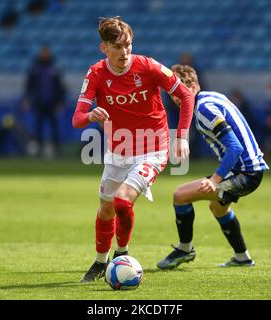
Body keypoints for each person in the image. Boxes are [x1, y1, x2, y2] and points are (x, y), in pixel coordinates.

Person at [72, 16, 194, 282]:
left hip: (153, 148)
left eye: (127, 45)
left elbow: (185, 94)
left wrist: (181, 137)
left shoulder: (148, 66)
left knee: (122, 201)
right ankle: (100, 262)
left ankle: (121, 254)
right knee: (105, 209)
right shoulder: (95, 74)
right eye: (117, 47)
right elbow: (77, 118)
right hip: (118, 151)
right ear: (104, 48)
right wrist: (91, 115)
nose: (124, 52)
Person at [157, 64, 269, 269]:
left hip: (245, 172)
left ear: (192, 87)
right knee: (217, 207)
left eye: (178, 91)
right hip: (249, 169)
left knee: (180, 195)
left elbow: (234, 148)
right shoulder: (211, 97)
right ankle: (243, 258)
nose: (175, 98)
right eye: (173, 93)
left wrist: (214, 180)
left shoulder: (203, 109)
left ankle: (185, 249)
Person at [23, 46, 67, 156]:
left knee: (54, 127)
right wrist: (28, 100)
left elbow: (60, 87)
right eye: (43, 52)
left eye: (47, 52)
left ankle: (57, 149)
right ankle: (38, 149)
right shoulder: (35, 68)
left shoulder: (55, 67)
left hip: (52, 103)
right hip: (39, 102)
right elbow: (29, 86)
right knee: (38, 127)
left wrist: (60, 101)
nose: (45, 54)